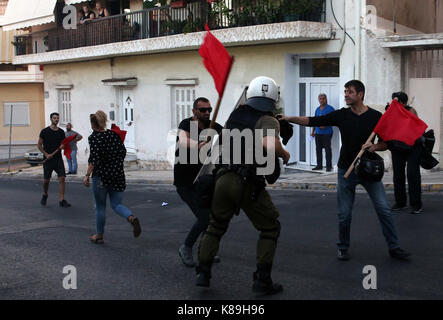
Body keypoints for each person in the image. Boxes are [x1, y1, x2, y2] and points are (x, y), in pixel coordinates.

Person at [279, 80, 410, 261]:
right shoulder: (341, 115)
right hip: (346, 171)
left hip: (368, 171)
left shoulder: (375, 116)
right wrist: (289, 118)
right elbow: (312, 121)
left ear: (360, 94)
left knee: (384, 210)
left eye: (349, 92)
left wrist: (374, 146)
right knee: (344, 214)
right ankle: (343, 247)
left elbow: (386, 142)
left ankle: (394, 247)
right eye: (345, 91)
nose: (346, 94)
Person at [196, 76, 290, 295]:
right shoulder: (268, 120)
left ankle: (203, 273)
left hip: (222, 178)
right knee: (270, 227)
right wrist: (284, 154)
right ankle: (262, 281)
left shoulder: (235, 115)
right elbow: (269, 144)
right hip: (246, 182)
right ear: (273, 99)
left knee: (216, 225)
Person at [174, 97, 223, 267]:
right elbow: (183, 140)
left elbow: (230, 139)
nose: (207, 112)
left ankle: (205, 251)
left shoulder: (214, 127)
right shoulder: (186, 124)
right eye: (203, 110)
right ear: (194, 111)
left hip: (204, 182)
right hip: (185, 182)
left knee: (209, 218)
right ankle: (186, 248)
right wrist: (199, 145)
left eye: (209, 109)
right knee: (204, 218)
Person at [83, 111, 141, 244]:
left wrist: (87, 175)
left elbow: (94, 159)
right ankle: (131, 217)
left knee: (100, 207)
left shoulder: (94, 137)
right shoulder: (114, 135)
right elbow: (123, 153)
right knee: (117, 204)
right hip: (117, 175)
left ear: (93, 123)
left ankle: (99, 235)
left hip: (101, 176)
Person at [388, 92, 423, 214]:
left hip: (412, 146)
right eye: (393, 101)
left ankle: (416, 204)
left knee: (412, 174)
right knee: (398, 175)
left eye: (396, 101)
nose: (394, 103)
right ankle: (400, 202)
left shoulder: (411, 110)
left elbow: (410, 125)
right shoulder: (391, 112)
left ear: (403, 103)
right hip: (397, 147)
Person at [38, 112, 71, 208]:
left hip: (58, 159)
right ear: (51, 119)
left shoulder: (61, 132)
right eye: (54, 118)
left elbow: (64, 145)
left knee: (62, 178)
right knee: (46, 181)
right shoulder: (44, 131)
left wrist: (63, 146)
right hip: (48, 160)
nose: (56, 119)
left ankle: (61, 200)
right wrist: (46, 154)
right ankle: (45, 194)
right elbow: (39, 145)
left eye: (57, 118)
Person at [311, 94, 335, 171]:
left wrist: (327, 125)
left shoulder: (330, 109)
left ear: (326, 99)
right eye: (320, 99)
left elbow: (335, 119)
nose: (322, 100)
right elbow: (315, 121)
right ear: (318, 100)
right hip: (318, 133)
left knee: (327, 150)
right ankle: (319, 165)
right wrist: (313, 132)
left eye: (323, 98)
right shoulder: (317, 109)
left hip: (327, 133)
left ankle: (329, 166)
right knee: (318, 149)